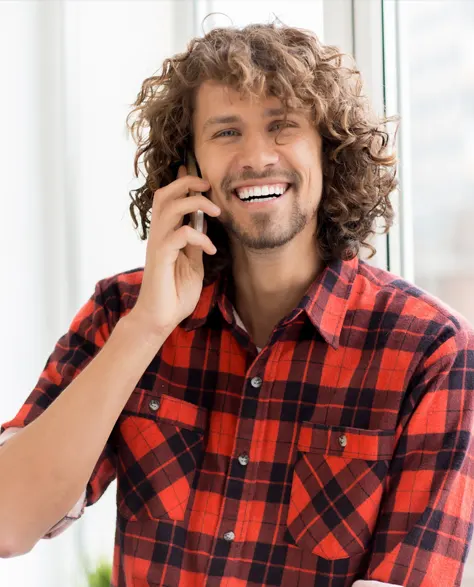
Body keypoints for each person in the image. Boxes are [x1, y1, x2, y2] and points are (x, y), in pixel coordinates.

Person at [1, 21, 473, 587]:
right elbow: (9, 521)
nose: (255, 156)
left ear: (329, 152)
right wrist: (147, 327)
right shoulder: (123, 310)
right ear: (189, 167)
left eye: (282, 126)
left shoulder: (430, 350)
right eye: (226, 132)